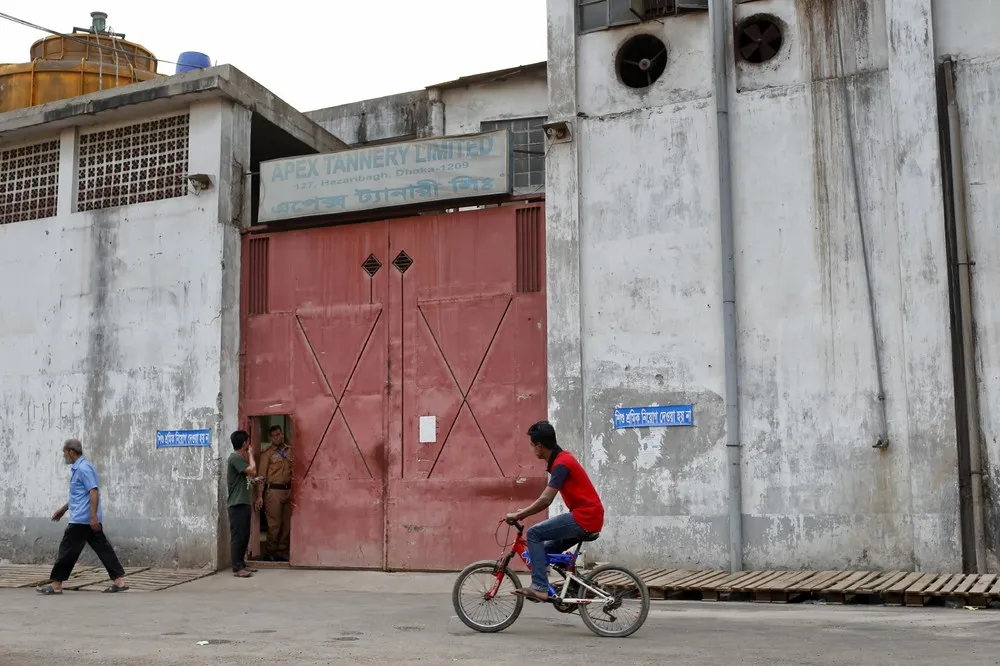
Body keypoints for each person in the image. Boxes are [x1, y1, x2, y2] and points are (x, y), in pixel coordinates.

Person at [505, 420, 604, 602]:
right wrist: (525, 511)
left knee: (534, 533)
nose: (532, 449)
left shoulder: (562, 463)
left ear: (540, 446)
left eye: (532, 445)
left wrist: (520, 514)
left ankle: (540, 587)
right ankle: (575, 587)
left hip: (585, 517)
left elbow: (546, 499)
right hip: (588, 517)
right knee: (543, 552)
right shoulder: (562, 460)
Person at [36, 439, 129, 595]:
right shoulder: (79, 468)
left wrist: (92, 517)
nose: (64, 455)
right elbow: (79, 495)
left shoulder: (83, 468)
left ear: (71, 452)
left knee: (66, 550)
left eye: (64, 452)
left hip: (82, 520)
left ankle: (56, 585)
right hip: (87, 519)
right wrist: (63, 509)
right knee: (103, 549)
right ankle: (119, 582)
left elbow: (93, 491)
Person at [255, 424, 293, 562]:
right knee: (274, 525)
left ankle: (282, 551)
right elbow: (261, 476)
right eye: (274, 435)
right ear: (270, 438)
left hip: (288, 490)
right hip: (273, 491)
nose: (277, 437)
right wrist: (260, 496)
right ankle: (270, 552)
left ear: (282, 434)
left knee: (286, 524)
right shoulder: (267, 453)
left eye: (279, 434)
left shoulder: (290, 451)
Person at [227, 429, 258, 578]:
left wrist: (255, 481)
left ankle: (242, 564)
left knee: (244, 535)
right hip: (237, 504)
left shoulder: (240, 460)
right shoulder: (235, 458)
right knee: (238, 536)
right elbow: (252, 470)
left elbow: (247, 478)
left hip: (243, 503)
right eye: (247, 441)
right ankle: (237, 567)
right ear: (244, 443)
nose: (249, 444)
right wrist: (251, 454)